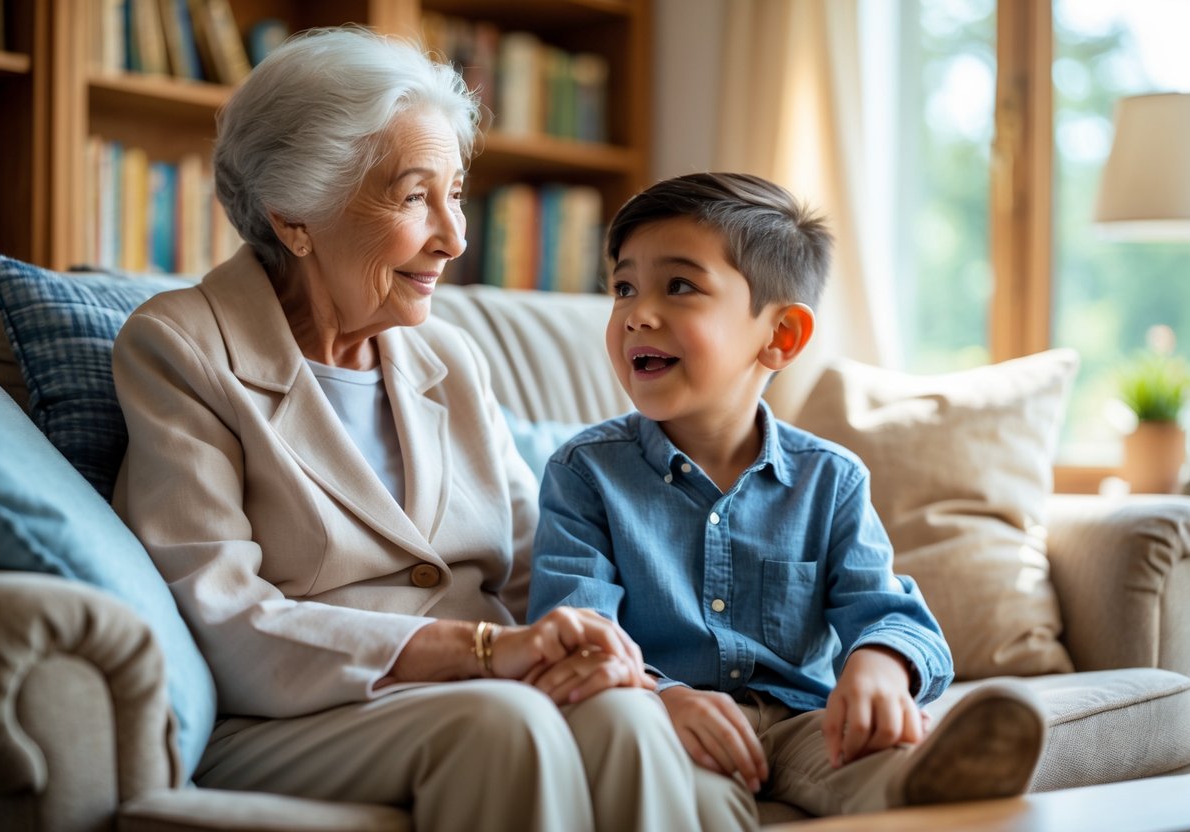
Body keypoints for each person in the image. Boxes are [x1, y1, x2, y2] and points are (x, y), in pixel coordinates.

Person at [111, 29, 756, 832]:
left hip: (476, 691)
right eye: (415, 197)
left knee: (623, 717)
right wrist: (484, 651)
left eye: (455, 194)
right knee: (503, 724)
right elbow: (225, 616)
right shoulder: (181, 346)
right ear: (294, 215)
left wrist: (643, 678)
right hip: (301, 712)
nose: (453, 237)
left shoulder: (447, 354)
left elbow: (535, 569)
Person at [527, 171, 1049, 818]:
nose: (637, 313)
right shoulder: (584, 474)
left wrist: (881, 663)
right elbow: (577, 635)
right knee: (696, 795)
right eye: (623, 288)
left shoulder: (830, 480)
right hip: (667, 725)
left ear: (780, 337)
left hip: (808, 723)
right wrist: (660, 697)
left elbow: (888, 611)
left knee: (874, 770)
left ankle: (928, 787)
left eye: (679, 286)